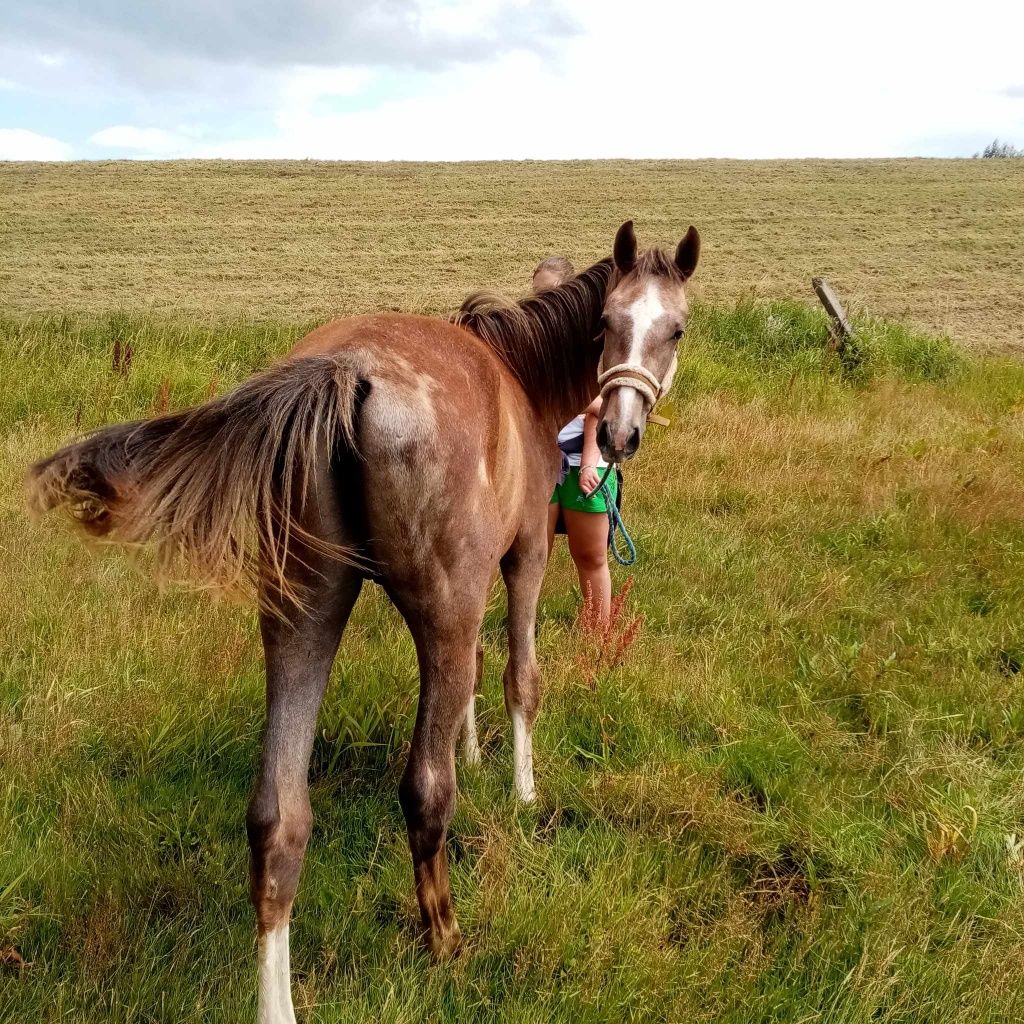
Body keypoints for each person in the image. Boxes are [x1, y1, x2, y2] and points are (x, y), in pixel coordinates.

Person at [533, 257, 618, 624]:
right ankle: (525, 629)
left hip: (586, 459)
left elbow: (599, 407)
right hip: (541, 461)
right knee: (534, 555)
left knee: (591, 555)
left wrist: (587, 462)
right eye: (537, 295)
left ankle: (596, 637)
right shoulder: (531, 344)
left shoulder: (591, 348)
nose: (543, 303)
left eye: (551, 294)